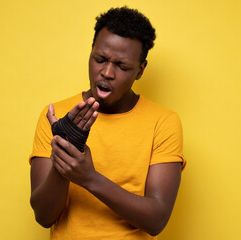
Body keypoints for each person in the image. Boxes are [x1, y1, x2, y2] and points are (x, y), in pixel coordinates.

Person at [29, 6, 185, 240]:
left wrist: (89, 178)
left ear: (140, 70)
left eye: (122, 66)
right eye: (100, 59)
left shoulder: (163, 122)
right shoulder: (57, 116)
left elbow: (157, 219)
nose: (107, 72)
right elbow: (43, 216)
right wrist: (65, 158)